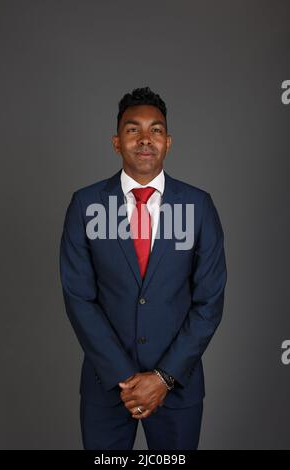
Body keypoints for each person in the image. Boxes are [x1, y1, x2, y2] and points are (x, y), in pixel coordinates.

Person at [59, 86, 227, 450]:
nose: (145, 139)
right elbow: (78, 298)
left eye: (155, 130)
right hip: (107, 388)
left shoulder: (199, 207)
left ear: (168, 141)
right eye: (133, 129)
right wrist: (125, 379)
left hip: (177, 388)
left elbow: (209, 302)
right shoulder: (85, 204)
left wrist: (163, 378)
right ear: (117, 142)